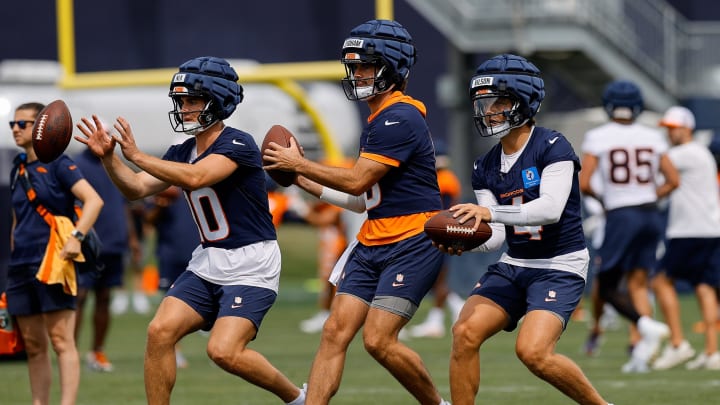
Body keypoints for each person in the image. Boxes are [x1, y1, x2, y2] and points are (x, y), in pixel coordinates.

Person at [75, 56, 305, 405]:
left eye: (192, 101)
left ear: (218, 100)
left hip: (251, 262)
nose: (183, 109)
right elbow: (136, 188)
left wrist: (136, 154)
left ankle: (296, 399)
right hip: (208, 261)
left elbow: (198, 177)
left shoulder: (238, 143)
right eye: (180, 101)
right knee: (159, 332)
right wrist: (110, 158)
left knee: (224, 352)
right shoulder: (181, 151)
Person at [264, 19, 450, 405]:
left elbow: (356, 181)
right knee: (334, 332)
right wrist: (302, 180)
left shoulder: (399, 117)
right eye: (354, 66)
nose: (357, 73)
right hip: (374, 237)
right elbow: (364, 201)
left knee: (379, 340)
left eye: (366, 65)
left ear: (393, 67)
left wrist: (299, 164)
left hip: (412, 241)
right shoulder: (378, 119)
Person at [435, 54, 612, 405]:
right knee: (464, 332)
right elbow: (497, 235)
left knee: (533, 353)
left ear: (523, 101)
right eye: (484, 103)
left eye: (498, 102)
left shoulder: (552, 146)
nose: (488, 111)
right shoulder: (484, 165)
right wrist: (468, 240)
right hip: (515, 263)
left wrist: (487, 211)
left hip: (558, 266)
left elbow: (549, 210)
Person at [7, 102, 104, 405]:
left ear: (40, 127)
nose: (15, 128)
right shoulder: (18, 168)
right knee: (34, 346)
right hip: (21, 265)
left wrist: (77, 237)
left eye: (23, 124)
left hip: (53, 262)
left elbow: (94, 201)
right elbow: (16, 220)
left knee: (62, 341)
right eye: (13, 123)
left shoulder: (60, 164)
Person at [579, 79, 679, 373]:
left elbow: (585, 182)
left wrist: (608, 200)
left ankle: (646, 327)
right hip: (650, 214)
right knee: (638, 283)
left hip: (623, 214)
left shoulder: (598, 136)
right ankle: (642, 352)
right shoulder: (653, 136)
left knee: (607, 286)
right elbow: (673, 180)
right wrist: (650, 196)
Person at [651, 106, 720, 370]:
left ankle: (678, 343)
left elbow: (651, 165)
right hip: (709, 228)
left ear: (686, 128)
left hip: (689, 230)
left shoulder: (684, 154)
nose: (669, 133)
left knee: (660, 281)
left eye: (673, 128)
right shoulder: (700, 152)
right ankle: (712, 351)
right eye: (667, 128)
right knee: (704, 287)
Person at [73, 148, 140, 372]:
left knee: (104, 298)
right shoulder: (77, 164)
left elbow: (124, 205)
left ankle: (97, 351)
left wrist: (131, 238)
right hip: (87, 242)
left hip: (113, 242)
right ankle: (71, 351)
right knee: (79, 297)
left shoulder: (114, 163)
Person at [409, 141, 465, 338]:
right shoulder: (442, 177)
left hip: (441, 233)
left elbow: (442, 212)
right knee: (435, 279)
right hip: (440, 232)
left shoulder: (444, 179)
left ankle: (437, 321)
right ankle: (456, 309)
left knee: (437, 278)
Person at [143, 185, 201, 368]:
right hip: (171, 254)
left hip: (201, 253)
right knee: (170, 306)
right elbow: (148, 220)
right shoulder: (163, 186)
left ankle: (222, 346)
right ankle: (176, 351)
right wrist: (161, 205)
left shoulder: (202, 181)